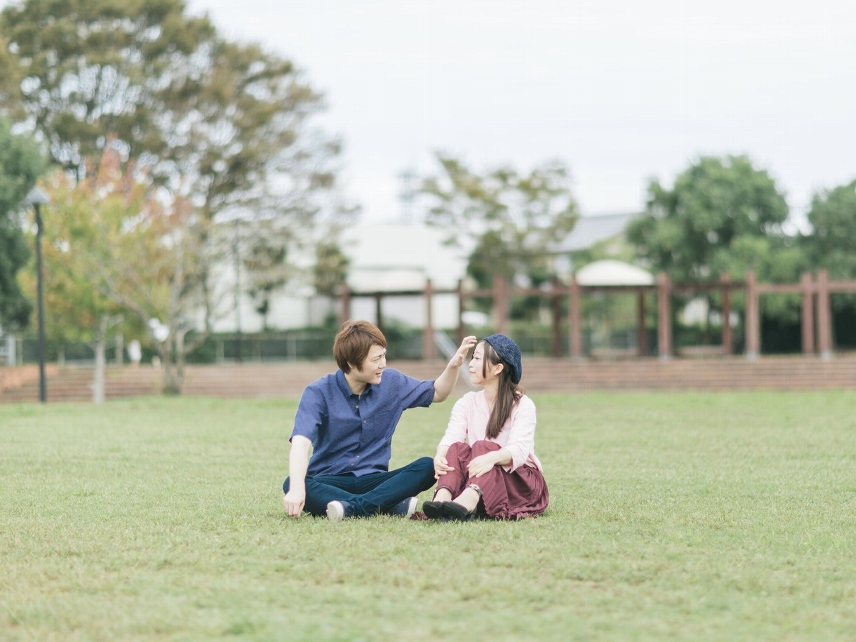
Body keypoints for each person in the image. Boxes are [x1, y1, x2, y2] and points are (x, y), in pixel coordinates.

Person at [282, 320, 477, 521]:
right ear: (351, 362)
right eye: (376, 359)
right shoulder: (318, 392)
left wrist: (453, 366)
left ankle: (352, 508)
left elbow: (437, 392)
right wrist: (297, 490)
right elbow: (300, 442)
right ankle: (386, 506)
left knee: (426, 466)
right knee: (292, 483)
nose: (383, 364)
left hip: (374, 480)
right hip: (328, 480)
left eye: (384, 356)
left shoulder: (392, 382)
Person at [422, 334, 548, 520]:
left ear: (498, 368)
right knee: (456, 448)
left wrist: (491, 457)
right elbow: (452, 436)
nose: (470, 364)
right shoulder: (467, 402)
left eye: (477, 358)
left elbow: (520, 450)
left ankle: (468, 501)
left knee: (482, 446)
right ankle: (443, 497)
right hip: (481, 473)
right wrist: (441, 455)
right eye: (471, 358)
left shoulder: (522, 404)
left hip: (519, 481)